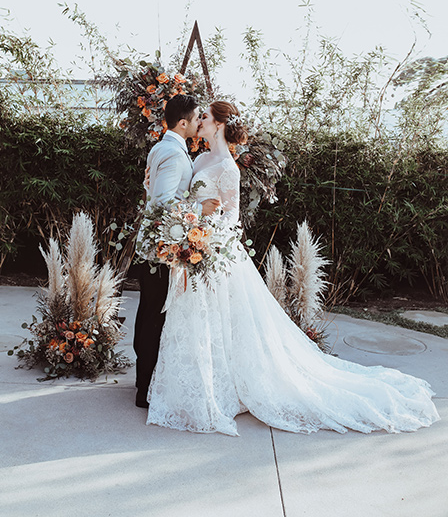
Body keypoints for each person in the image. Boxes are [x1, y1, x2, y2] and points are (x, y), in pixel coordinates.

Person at [145, 100, 440, 435]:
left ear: (220, 125)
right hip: (197, 249)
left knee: (224, 325)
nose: (200, 122)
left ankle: (227, 387)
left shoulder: (228, 167)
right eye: (200, 117)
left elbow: (232, 218)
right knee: (203, 324)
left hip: (215, 252)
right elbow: (184, 200)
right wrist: (193, 225)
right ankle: (204, 384)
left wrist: (206, 234)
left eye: (206, 118)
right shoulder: (198, 158)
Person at [133, 94, 219, 408]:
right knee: (153, 317)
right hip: (158, 252)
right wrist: (200, 207)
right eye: (197, 117)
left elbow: (152, 191)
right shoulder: (172, 153)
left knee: (148, 314)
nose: (199, 122)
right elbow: (160, 205)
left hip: (153, 248)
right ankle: (144, 390)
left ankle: (144, 383)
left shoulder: (163, 147)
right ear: (182, 123)